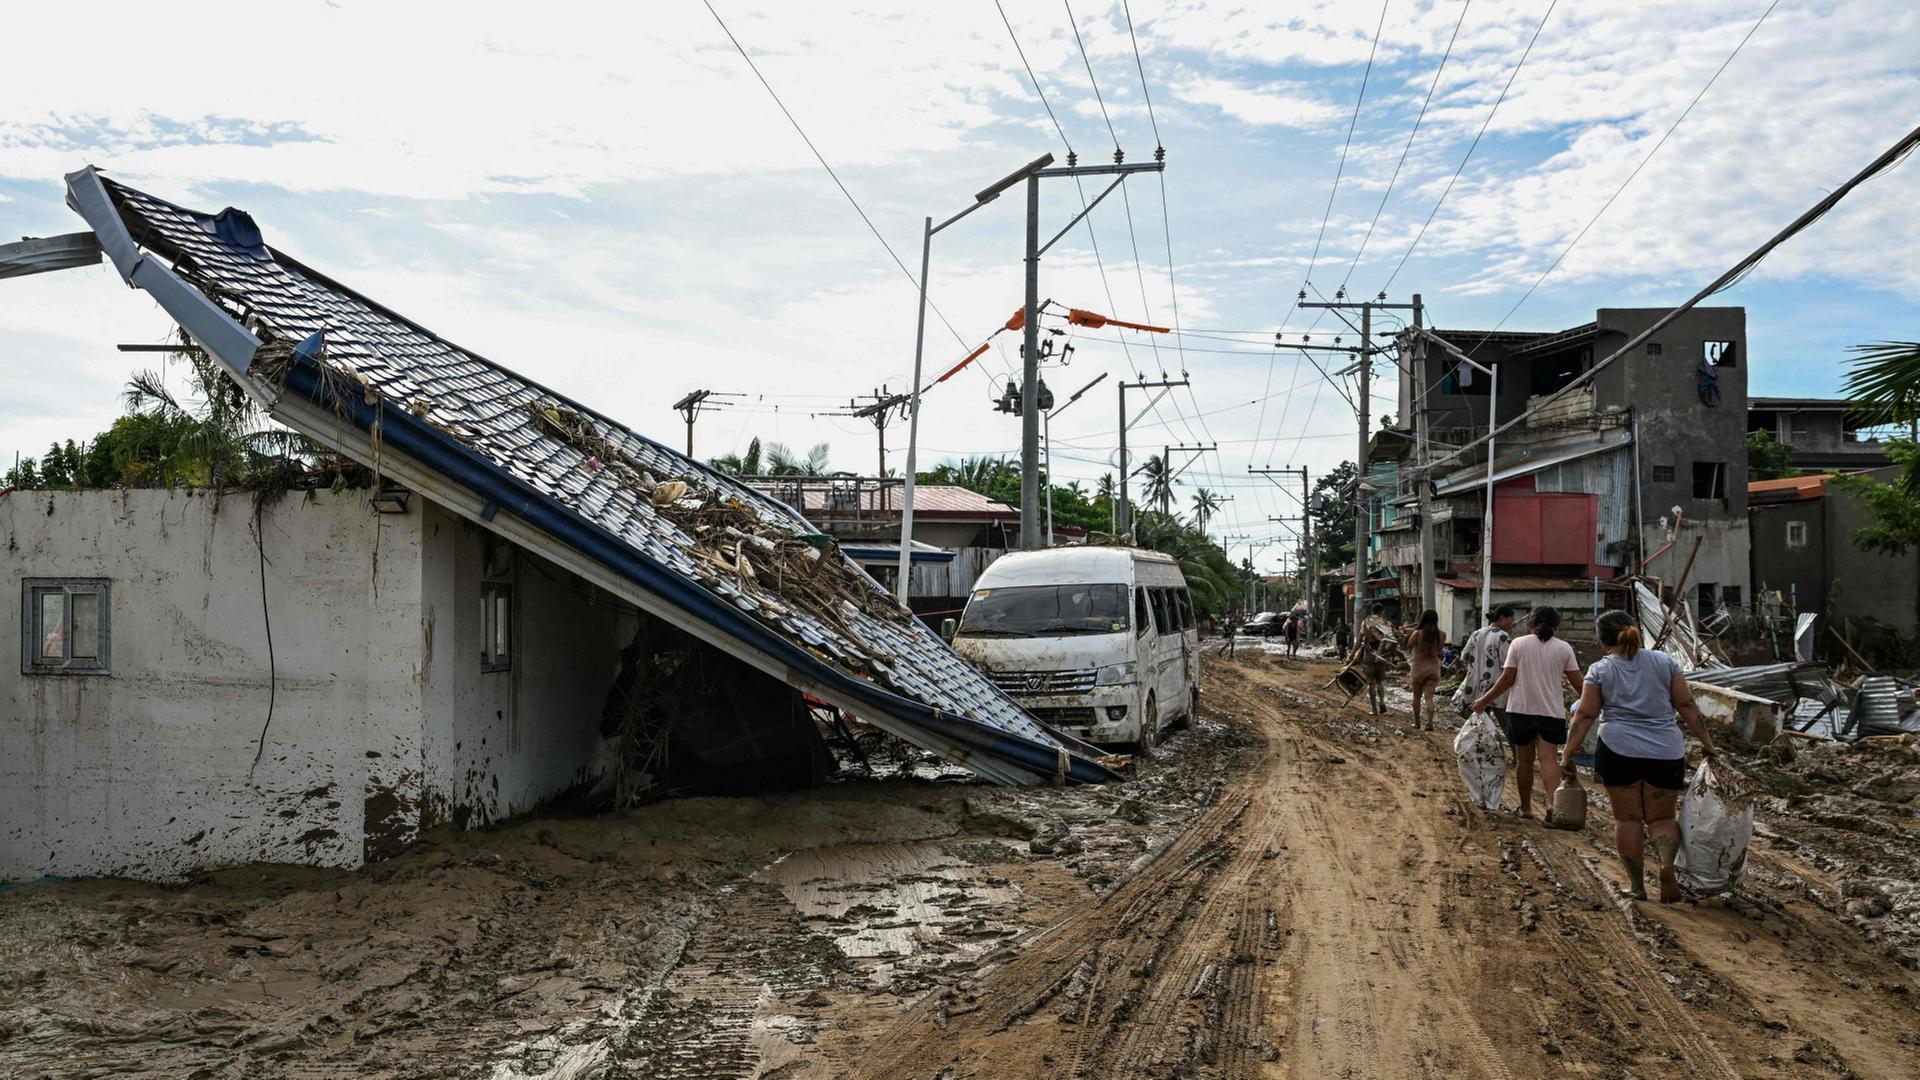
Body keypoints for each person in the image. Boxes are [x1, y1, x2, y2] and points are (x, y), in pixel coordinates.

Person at [1563, 609, 1718, 903]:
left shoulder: (1600, 670)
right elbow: (1686, 704)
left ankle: (1637, 886)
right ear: (1633, 629)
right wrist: (1708, 744)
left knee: (1628, 819)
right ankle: (1666, 867)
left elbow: (1584, 714)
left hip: (1619, 750)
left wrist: (1568, 752)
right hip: (1666, 751)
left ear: (1601, 640)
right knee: (1662, 817)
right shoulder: (1666, 662)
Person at [1470, 606, 1580, 819]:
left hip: (1521, 711)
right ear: (1556, 627)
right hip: (1552, 713)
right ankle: (1553, 807)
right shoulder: (1564, 648)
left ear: (1530, 624)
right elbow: (1579, 684)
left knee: (1525, 761)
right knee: (1548, 760)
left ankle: (1526, 808)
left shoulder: (1518, 644)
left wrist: (1483, 701)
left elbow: (1507, 679)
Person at [1459, 606, 1516, 724]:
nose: (1512, 623)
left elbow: (1464, 656)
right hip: (1495, 689)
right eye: (1511, 619)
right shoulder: (1503, 637)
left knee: (1476, 726)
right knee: (1507, 726)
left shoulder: (1476, 633)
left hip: (1475, 687)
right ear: (1502, 618)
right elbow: (1509, 664)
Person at [1405, 608, 1445, 731]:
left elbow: (1408, 645)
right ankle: (1430, 724)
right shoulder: (1442, 634)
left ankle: (1417, 723)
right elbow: (1439, 650)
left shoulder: (1418, 633)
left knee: (1416, 696)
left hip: (1419, 667)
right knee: (1429, 697)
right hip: (1433, 667)